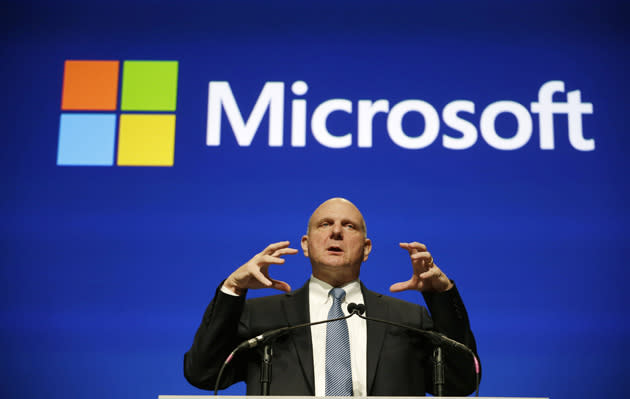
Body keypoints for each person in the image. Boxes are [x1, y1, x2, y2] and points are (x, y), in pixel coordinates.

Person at [184, 198, 479, 396]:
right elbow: (204, 374)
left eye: (349, 226)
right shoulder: (261, 317)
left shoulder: (407, 319)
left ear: (366, 248)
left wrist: (441, 295)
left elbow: (462, 382)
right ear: (306, 244)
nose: (336, 232)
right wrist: (233, 289)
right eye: (324, 224)